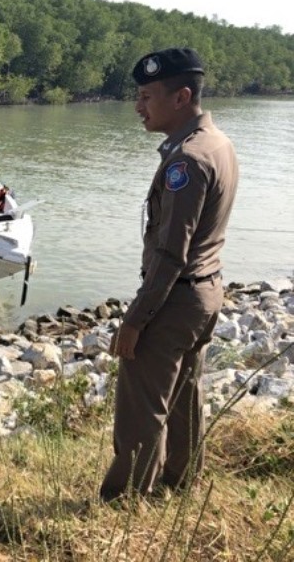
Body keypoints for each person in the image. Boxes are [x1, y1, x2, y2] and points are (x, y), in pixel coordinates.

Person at [100, 48, 239, 502]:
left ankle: (123, 503)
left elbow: (170, 253)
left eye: (146, 96)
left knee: (142, 409)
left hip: (175, 298)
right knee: (183, 399)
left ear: (181, 97)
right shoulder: (217, 142)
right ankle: (177, 486)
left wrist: (136, 319)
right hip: (206, 291)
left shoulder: (188, 161)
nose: (138, 106)